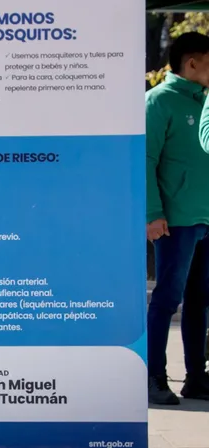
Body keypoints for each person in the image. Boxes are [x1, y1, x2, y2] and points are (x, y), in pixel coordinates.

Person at [146, 32, 209, 405]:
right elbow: (144, 160)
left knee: (201, 299)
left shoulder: (205, 103)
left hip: (205, 219)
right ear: (192, 62)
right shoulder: (158, 101)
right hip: (174, 222)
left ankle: (195, 378)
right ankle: (155, 378)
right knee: (167, 299)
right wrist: (153, 214)